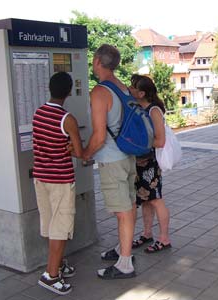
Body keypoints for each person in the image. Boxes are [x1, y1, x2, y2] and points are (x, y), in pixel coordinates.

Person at [83, 44, 136, 279]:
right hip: (128, 155)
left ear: (96, 61)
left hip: (112, 160)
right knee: (129, 205)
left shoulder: (99, 92)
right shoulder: (122, 87)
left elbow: (99, 136)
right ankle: (122, 249)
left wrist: (85, 154)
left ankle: (125, 264)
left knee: (122, 211)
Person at [33, 72, 83, 295]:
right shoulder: (67, 119)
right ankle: (51, 276)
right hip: (61, 180)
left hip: (41, 178)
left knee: (50, 223)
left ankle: (59, 264)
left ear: (50, 88)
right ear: (69, 91)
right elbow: (80, 152)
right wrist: (72, 148)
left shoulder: (38, 113)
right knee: (60, 227)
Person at [129, 74, 172, 253]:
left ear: (141, 93)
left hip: (150, 163)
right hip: (139, 162)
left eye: (132, 87)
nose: (129, 89)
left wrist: (136, 143)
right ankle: (147, 233)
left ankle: (164, 238)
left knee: (156, 200)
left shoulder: (154, 110)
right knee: (146, 201)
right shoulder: (140, 108)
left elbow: (160, 141)